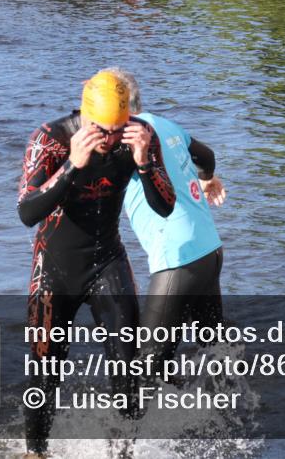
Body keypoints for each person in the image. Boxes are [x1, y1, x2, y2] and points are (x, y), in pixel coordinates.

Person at [17, 70, 177, 458]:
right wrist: (71, 165)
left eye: (117, 129)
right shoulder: (50, 139)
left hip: (108, 260)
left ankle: (122, 452)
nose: (109, 140)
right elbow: (26, 211)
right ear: (85, 118)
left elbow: (166, 206)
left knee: (128, 369)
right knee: (44, 372)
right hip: (54, 269)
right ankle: (35, 453)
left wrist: (144, 163)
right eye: (102, 130)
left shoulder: (137, 136)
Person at [113, 69, 227, 376]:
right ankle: (228, 418)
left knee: (145, 368)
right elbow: (206, 155)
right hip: (209, 250)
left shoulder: (125, 138)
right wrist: (206, 180)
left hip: (178, 258)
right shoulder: (165, 124)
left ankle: (141, 425)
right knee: (214, 352)